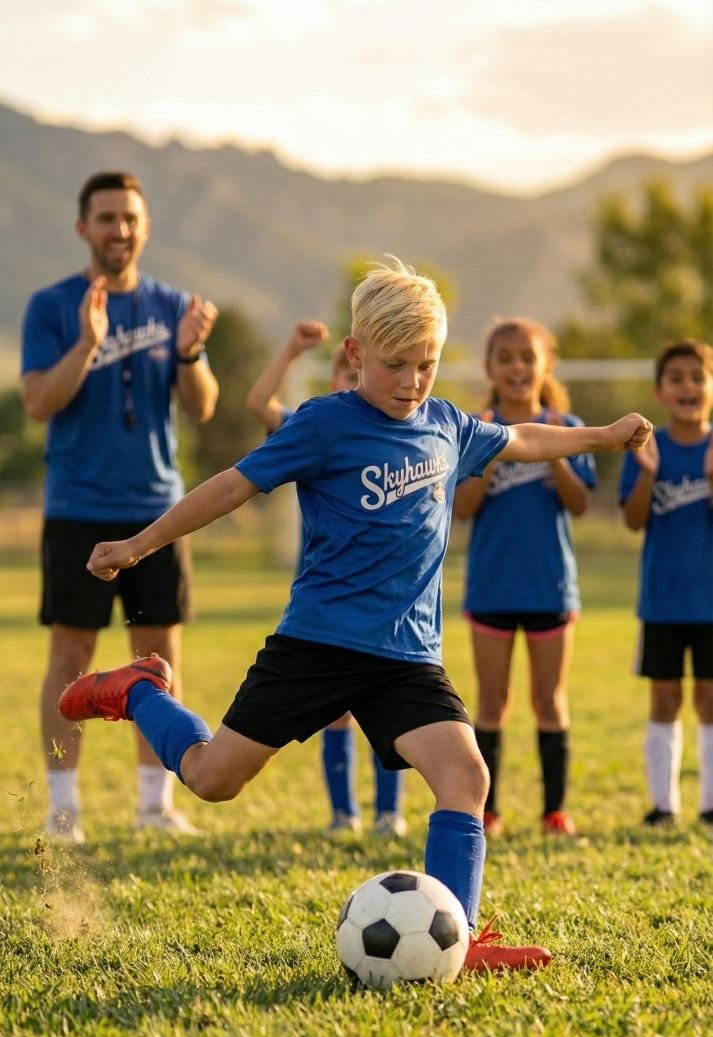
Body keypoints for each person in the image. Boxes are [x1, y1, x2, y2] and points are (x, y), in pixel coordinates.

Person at [58, 257, 652, 971]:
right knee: (214, 779)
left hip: (405, 657)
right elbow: (229, 488)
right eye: (395, 365)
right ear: (354, 354)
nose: (410, 382)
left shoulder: (448, 425)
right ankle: (139, 691)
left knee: (465, 776)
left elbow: (522, 438)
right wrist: (139, 543)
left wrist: (603, 434)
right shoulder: (324, 424)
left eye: (426, 366)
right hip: (317, 645)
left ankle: (456, 941)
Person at [21, 170, 219, 843]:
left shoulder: (171, 305)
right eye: (106, 218)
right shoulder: (51, 305)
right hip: (78, 506)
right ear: (83, 228)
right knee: (71, 654)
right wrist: (86, 342)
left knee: (158, 655)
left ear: (146, 227)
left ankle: (154, 806)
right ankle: (62, 810)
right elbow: (38, 403)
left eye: (130, 218)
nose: (119, 230)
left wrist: (190, 350)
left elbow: (202, 407)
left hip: (158, 510)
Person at [245, 319, 406, 837]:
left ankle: (389, 813)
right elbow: (258, 403)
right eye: (339, 375)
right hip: (325, 601)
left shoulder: (399, 433)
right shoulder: (313, 427)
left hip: (382, 608)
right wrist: (291, 349)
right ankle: (343, 814)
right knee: (335, 715)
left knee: (387, 716)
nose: (346, 384)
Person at [453, 318, 596, 839]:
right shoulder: (475, 430)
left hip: (549, 587)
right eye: (505, 358)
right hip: (491, 587)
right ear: (490, 368)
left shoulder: (567, 423)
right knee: (491, 702)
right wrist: (492, 449)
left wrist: (553, 448)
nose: (517, 367)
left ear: (545, 365)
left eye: (526, 357)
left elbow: (579, 503)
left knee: (549, 700)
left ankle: (554, 811)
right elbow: (463, 508)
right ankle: (488, 812)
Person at [619, 338, 713, 827]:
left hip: (710, 603)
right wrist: (648, 476)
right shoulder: (648, 448)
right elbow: (634, 521)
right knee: (664, 699)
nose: (688, 387)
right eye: (676, 379)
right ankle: (663, 805)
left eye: (698, 377)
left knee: (710, 699)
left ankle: (710, 803)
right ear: (660, 390)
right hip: (663, 600)